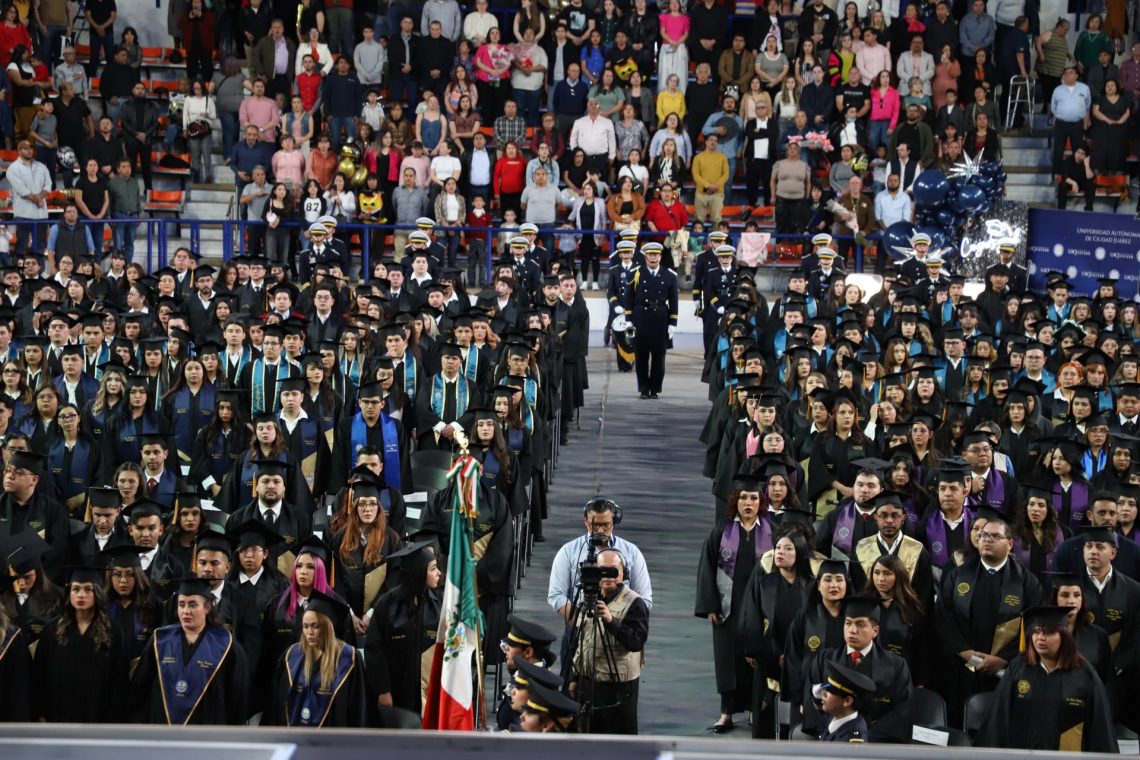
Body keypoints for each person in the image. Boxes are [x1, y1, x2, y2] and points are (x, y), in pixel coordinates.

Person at [976, 605, 1118, 751]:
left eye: (1049, 633)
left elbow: (1100, 728)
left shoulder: (1085, 674)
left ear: (1064, 637)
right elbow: (997, 720)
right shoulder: (1018, 669)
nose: (1040, 638)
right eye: (1036, 632)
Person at [695, 473, 773, 732]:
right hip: (728, 605)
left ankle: (752, 709)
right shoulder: (722, 529)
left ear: (761, 501)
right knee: (727, 660)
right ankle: (726, 712)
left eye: (753, 498)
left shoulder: (771, 530)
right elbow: (706, 567)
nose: (748, 503)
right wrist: (710, 605)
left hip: (759, 607)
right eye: (743, 498)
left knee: (755, 657)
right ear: (735, 501)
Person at [128, 577, 250, 724]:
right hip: (162, 729)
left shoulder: (226, 644)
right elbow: (140, 690)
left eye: (193, 605)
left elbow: (237, 697)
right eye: (181, 604)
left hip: (208, 730)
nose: (186, 611)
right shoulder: (160, 640)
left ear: (207, 608)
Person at [800, 595, 913, 741]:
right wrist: (836, 734)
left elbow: (901, 712)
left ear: (875, 631)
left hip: (878, 744)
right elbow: (811, 703)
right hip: (831, 741)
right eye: (848, 623)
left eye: (860, 624)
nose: (852, 630)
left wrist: (863, 738)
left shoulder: (896, 665)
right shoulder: (824, 659)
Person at [568, 547, 648, 734]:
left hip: (617, 687)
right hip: (587, 684)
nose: (608, 576)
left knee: (618, 742)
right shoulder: (588, 599)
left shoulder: (635, 603)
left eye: (613, 570)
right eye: (603, 570)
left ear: (623, 573)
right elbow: (578, 642)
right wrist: (573, 678)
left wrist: (611, 622)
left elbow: (636, 642)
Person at [264, 588, 367, 727]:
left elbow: (358, 710)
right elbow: (276, 706)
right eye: (305, 626)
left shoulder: (349, 658)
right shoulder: (292, 655)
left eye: (315, 626)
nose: (309, 632)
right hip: (294, 736)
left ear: (327, 628)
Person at [365, 539, 442, 716]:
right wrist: (383, 690)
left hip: (428, 691)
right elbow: (375, 650)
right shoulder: (387, 604)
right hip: (396, 692)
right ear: (418, 571)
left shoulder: (439, 603)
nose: (439, 573)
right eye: (433, 569)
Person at [624, 242, 679, 400]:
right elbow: (629, 298)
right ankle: (643, 388)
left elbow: (674, 301)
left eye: (656, 255)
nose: (653, 258)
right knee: (641, 357)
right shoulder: (636, 273)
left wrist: (673, 323)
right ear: (645, 256)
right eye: (650, 255)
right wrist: (629, 320)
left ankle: (655, 389)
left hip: (661, 318)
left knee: (659, 358)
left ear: (660, 257)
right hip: (640, 318)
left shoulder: (669, 275)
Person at [815, 661, 876, 742]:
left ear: (847, 701)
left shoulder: (852, 740)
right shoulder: (835, 716)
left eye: (831, 691)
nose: (823, 694)